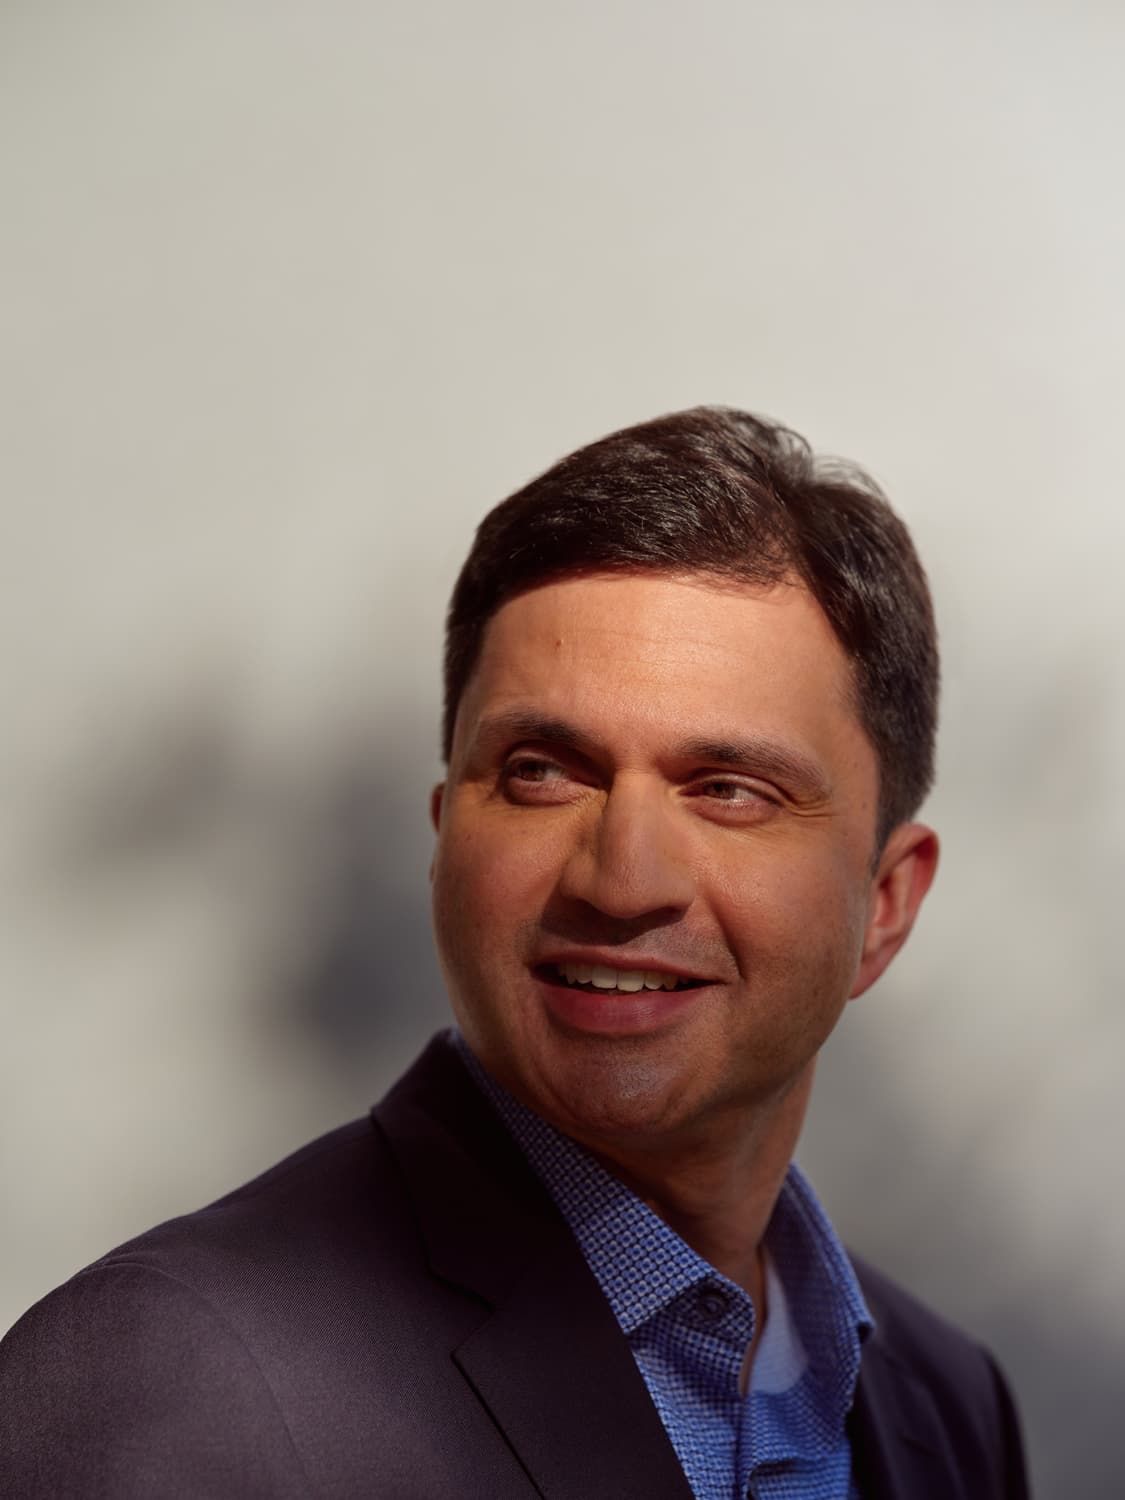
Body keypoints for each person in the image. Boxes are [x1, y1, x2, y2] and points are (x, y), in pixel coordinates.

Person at [0, 407, 1029, 1499]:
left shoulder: (946, 1407)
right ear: (446, 834)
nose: (622, 879)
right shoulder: (166, 1382)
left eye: (728, 790)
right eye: (543, 772)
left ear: (885, 902)